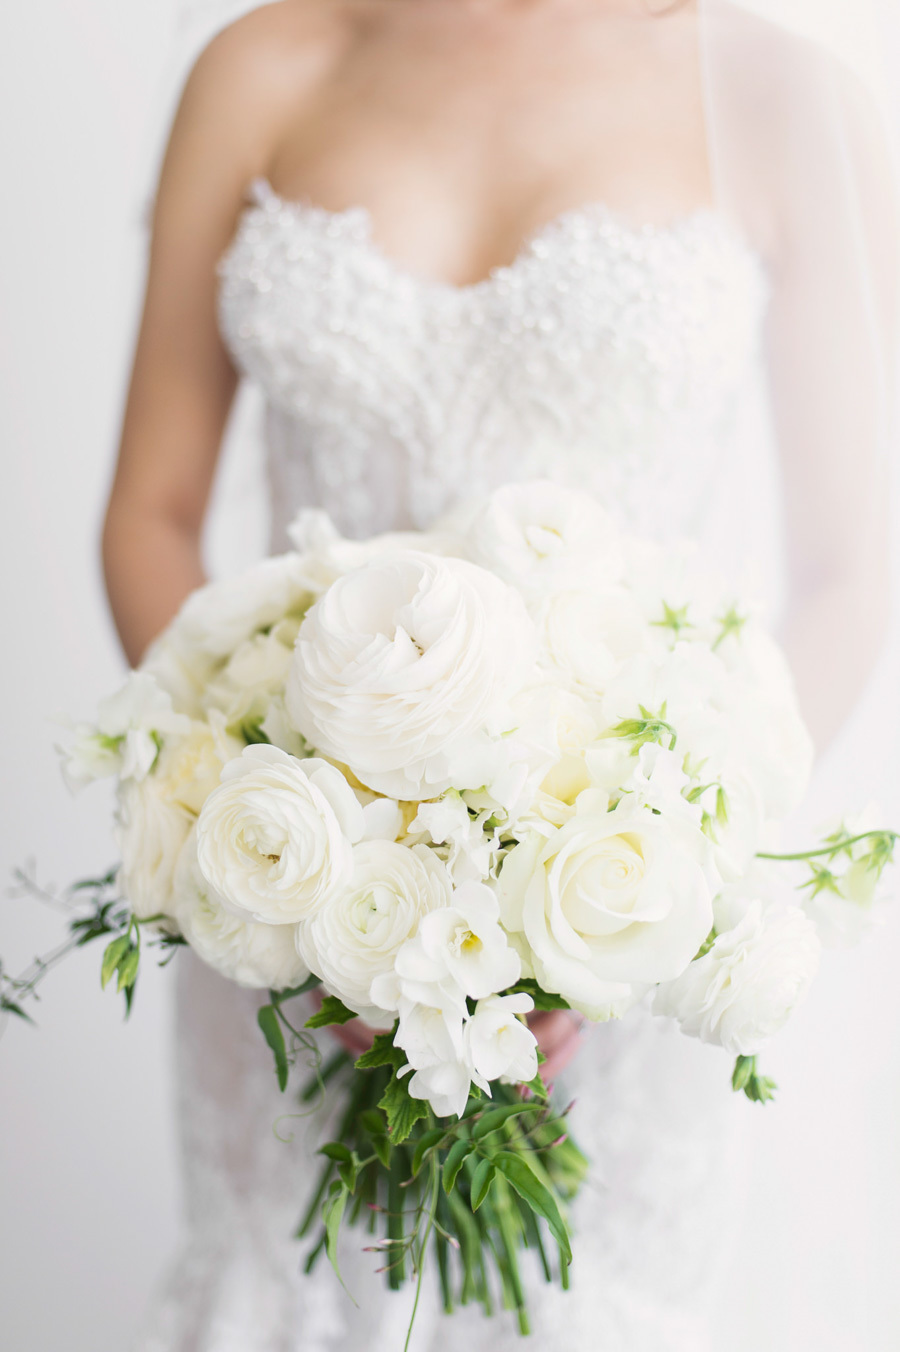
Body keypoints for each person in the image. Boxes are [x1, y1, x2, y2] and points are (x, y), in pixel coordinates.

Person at [101, 2, 896, 1348]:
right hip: (300, 906)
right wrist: (293, 869)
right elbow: (152, 511)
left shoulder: (770, 84)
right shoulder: (261, 64)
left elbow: (852, 565)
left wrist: (652, 891)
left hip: (638, 929)